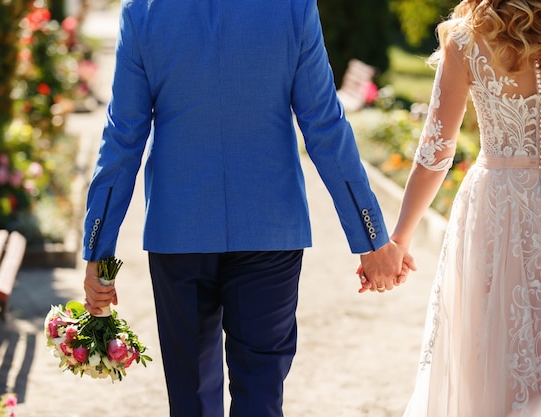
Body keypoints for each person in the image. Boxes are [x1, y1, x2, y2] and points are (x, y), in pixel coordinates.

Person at [81, 0, 412, 416]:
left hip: (179, 231)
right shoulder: (292, 8)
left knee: (192, 400)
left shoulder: (143, 12)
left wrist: (98, 248)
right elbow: (325, 127)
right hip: (271, 230)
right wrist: (372, 238)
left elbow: (122, 138)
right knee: (260, 396)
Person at [386, 0, 541, 415]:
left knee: (492, 358)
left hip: (498, 206)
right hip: (504, 206)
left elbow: (436, 151)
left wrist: (399, 237)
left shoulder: (466, 37)